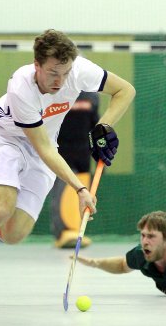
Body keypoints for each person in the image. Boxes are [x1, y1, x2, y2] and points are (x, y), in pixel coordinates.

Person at [0, 29, 135, 310]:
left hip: (44, 145)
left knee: (13, 234)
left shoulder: (79, 71)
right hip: (7, 138)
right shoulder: (21, 88)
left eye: (65, 73)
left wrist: (102, 128)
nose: (60, 81)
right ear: (37, 64)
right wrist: (79, 188)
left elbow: (125, 90)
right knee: (1, 210)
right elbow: (44, 149)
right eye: (53, 72)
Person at [50, 91, 100, 248]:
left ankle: (77, 231)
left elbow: (95, 127)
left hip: (83, 157)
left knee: (81, 196)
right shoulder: (56, 92)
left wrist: (99, 156)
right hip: (61, 156)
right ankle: (62, 232)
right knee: (61, 193)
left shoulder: (92, 96)